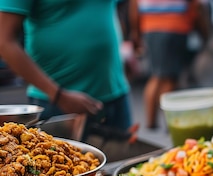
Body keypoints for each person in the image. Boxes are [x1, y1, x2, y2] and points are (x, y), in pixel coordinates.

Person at [0, 0, 133, 134]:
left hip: (117, 95)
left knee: (131, 155)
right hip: (57, 103)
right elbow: (4, 41)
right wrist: (58, 95)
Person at [128, 0, 209, 129]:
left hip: (150, 26)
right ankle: (168, 121)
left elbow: (134, 4)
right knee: (169, 78)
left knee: (157, 74)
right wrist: (203, 30)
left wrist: (135, 31)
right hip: (174, 26)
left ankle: (152, 121)